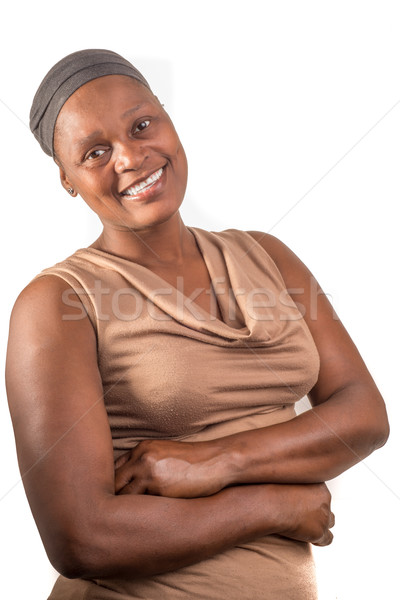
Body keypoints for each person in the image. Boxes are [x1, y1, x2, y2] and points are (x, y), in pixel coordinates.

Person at [5, 49, 389, 600]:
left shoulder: (269, 256)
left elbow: (364, 415)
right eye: (95, 152)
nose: (131, 157)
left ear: (167, 117)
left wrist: (216, 463)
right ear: (67, 179)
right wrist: (273, 505)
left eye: (142, 125)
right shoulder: (58, 302)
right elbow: (82, 539)